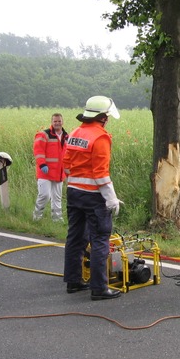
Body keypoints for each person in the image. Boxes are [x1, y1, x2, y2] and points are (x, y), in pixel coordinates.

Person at [62, 96, 123, 300]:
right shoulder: (100, 137)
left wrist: (77, 183)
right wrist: (111, 198)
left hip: (74, 193)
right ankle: (99, 288)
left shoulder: (75, 133)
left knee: (75, 237)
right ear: (103, 117)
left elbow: (67, 165)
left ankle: (73, 281)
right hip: (94, 196)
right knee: (99, 240)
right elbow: (101, 173)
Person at [33, 113, 68, 222]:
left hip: (59, 172)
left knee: (57, 198)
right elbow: (38, 151)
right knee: (44, 195)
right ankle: (37, 217)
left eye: (59, 121)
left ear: (62, 122)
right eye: (55, 121)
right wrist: (42, 164)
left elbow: (68, 154)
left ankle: (57, 219)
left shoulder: (66, 136)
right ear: (51, 122)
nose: (57, 123)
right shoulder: (44, 135)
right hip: (45, 172)